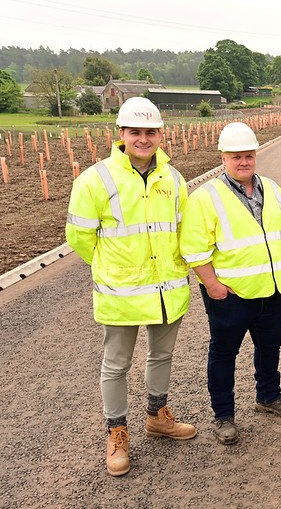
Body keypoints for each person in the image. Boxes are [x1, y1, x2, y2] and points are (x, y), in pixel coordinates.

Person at [66, 97, 196, 477]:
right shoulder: (95, 179)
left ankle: (156, 416)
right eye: (135, 132)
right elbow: (79, 237)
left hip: (166, 290)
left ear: (160, 135)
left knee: (161, 356)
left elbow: (184, 230)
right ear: (120, 134)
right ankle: (116, 433)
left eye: (150, 132)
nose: (143, 139)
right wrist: (112, 266)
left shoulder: (173, 179)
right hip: (121, 293)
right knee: (116, 365)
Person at [180, 122, 281, 445]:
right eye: (236, 156)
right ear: (223, 158)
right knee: (223, 354)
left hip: (273, 292)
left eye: (248, 155)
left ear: (255, 155)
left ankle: (268, 396)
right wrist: (213, 287)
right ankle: (223, 416)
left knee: (269, 347)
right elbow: (194, 248)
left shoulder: (272, 189)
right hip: (231, 297)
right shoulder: (206, 197)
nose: (243, 161)